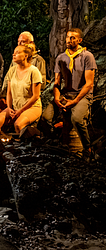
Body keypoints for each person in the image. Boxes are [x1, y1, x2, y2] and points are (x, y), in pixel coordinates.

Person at [42, 28, 97, 156]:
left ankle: (87, 148)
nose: (69, 40)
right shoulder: (61, 57)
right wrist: (57, 98)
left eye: (73, 37)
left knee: (77, 119)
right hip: (66, 94)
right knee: (46, 116)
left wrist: (75, 101)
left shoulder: (87, 56)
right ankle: (60, 144)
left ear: (79, 40)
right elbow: (57, 82)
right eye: (68, 37)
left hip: (82, 95)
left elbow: (89, 83)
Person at [0, 45, 42, 135]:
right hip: (14, 107)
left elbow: (36, 96)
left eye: (17, 53)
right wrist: (9, 108)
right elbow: (9, 92)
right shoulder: (12, 70)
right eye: (14, 53)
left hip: (32, 107)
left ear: (26, 56)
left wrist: (21, 110)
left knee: (18, 125)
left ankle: (23, 147)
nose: (14, 55)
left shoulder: (34, 71)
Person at [0, 31, 46, 108]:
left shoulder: (38, 60)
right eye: (18, 41)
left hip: (29, 98)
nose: (19, 44)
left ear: (31, 43)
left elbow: (42, 83)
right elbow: (8, 79)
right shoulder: (15, 60)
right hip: (14, 97)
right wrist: (2, 95)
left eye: (23, 41)